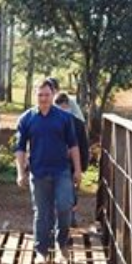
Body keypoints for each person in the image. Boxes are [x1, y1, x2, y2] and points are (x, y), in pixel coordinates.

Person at [15, 80, 82, 264]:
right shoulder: (27, 118)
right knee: (41, 212)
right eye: (40, 95)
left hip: (61, 171)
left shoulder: (64, 118)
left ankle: (61, 246)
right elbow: (19, 148)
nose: (43, 98)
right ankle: (41, 251)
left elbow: (73, 145)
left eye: (46, 95)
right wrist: (20, 172)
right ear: (35, 96)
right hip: (38, 172)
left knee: (64, 207)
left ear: (53, 95)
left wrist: (77, 169)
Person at [55, 91, 90, 227]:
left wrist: (82, 167)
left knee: (70, 193)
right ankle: (58, 223)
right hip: (55, 164)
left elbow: (83, 146)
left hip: (70, 165)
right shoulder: (51, 122)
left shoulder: (78, 124)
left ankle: (70, 218)